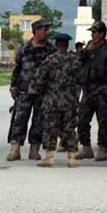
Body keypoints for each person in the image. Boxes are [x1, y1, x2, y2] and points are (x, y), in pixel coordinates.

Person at [30, 33, 81, 168]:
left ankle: (49, 157)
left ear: (57, 44)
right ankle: (72, 158)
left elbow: (40, 81)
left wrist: (36, 90)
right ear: (67, 44)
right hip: (70, 101)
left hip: (52, 101)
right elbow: (81, 80)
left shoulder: (50, 60)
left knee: (51, 128)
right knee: (70, 128)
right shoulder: (75, 60)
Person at [7, 20, 56, 161]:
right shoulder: (24, 49)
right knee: (20, 119)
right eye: (44, 30)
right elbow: (17, 70)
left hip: (43, 92)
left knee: (39, 121)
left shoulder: (50, 50)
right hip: (24, 91)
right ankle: (15, 149)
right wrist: (13, 87)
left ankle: (34, 149)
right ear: (36, 31)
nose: (47, 33)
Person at [76, 21, 107, 161]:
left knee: (103, 122)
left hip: (102, 90)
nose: (92, 34)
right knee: (82, 120)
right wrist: (85, 51)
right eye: (91, 32)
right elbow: (76, 62)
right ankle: (86, 148)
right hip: (88, 90)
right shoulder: (89, 48)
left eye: (94, 32)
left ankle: (102, 148)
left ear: (101, 33)